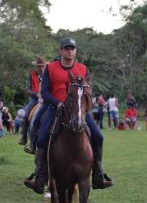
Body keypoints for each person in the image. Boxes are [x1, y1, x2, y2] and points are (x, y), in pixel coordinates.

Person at [24, 37, 113, 194]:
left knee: (98, 136)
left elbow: (88, 91)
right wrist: (57, 103)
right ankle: (40, 178)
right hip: (55, 107)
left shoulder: (83, 69)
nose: (70, 51)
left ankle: (98, 176)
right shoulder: (50, 68)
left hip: (78, 110)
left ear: (75, 51)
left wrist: (86, 104)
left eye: (72, 48)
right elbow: (44, 91)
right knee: (43, 137)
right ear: (61, 51)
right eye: (66, 48)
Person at [18, 57, 47, 145]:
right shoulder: (32, 75)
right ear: (36, 67)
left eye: (42, 66)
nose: (41, 68)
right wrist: (36, 94)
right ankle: (24, 138)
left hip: (46, 100)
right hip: (35, 100)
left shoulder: (48, 75)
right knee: (25, 116)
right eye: (39, 66)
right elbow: (28, 90)